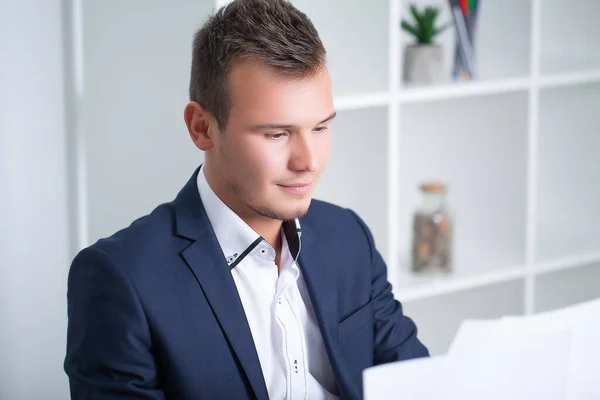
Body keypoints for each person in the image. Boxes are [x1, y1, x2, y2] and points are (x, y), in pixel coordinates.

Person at [63, 0, 429, 399]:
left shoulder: (349, 236)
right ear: (202, 128)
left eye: (321, 127)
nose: (308, 161)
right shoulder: (121, 279)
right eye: (276, 134)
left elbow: (417, 383)